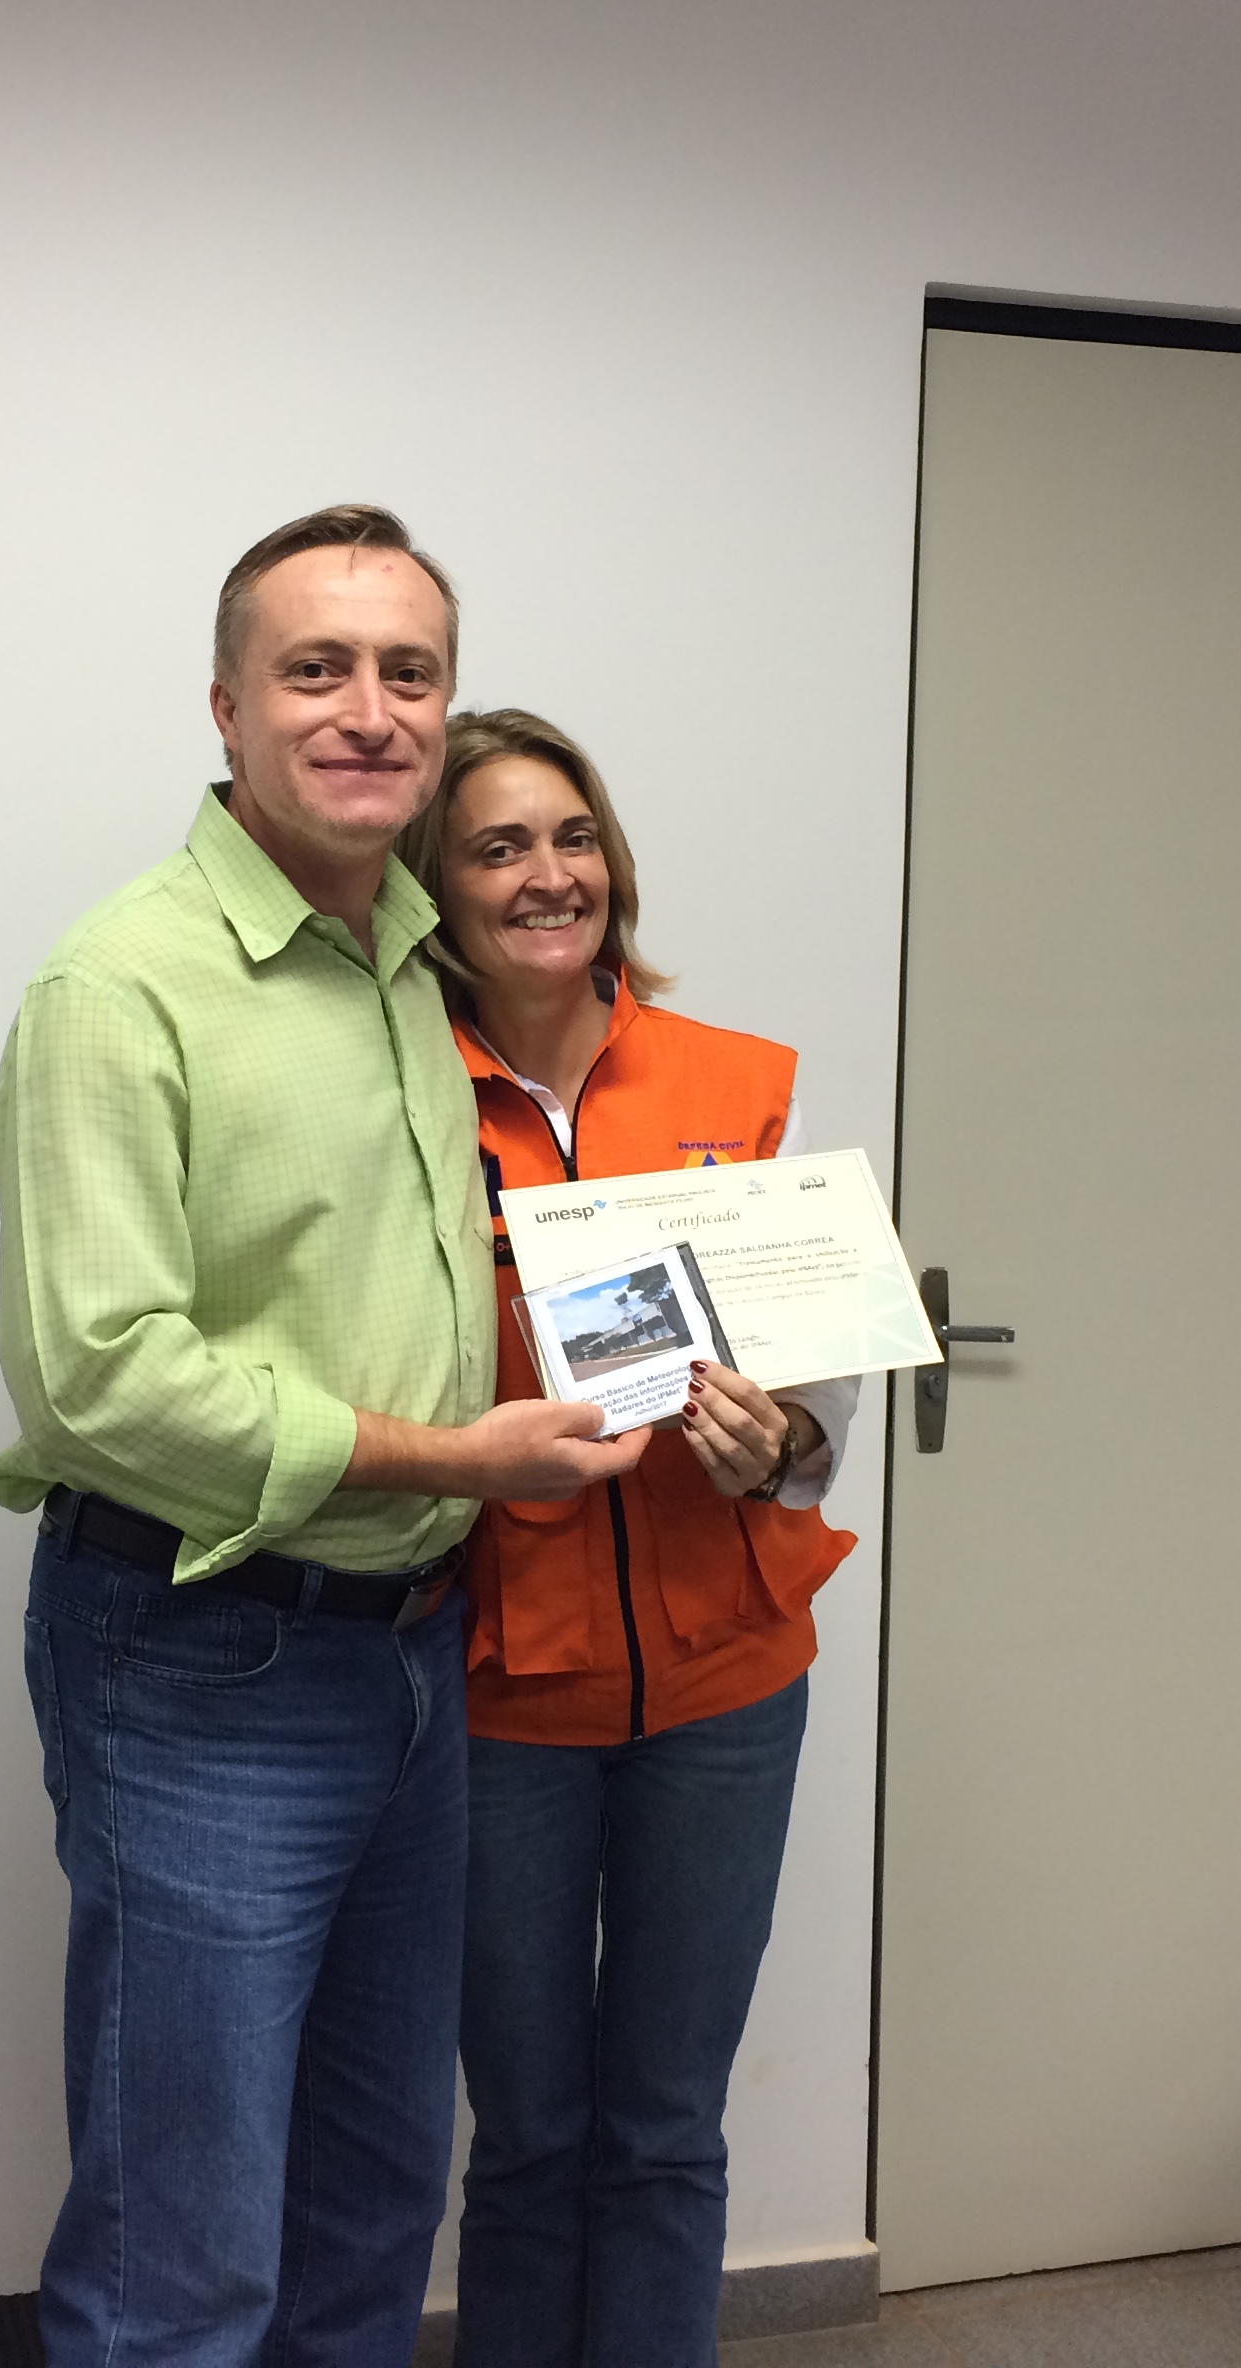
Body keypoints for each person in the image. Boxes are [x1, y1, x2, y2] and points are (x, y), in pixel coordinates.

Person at [0, 512, 648, 2368]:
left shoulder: (415, 965)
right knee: (181, 2261)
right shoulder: (122, 988)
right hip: (203, 1662)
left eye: (408, 672)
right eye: (317, 670)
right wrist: (459, 1465)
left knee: (372, 2209)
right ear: (227, 706)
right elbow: (100, 1376)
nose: (370, 710)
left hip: (416, 1660)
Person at [398, 710, 861, 2368]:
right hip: (502, 1693)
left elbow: (811, 1376)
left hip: (728, 1687)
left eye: (572, 836)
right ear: (435, 888)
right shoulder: (391, 1095)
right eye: (498, 847)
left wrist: (784, 1442)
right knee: (529, 2138)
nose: (548, 875)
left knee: (666, 2125)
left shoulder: (731, 1078)